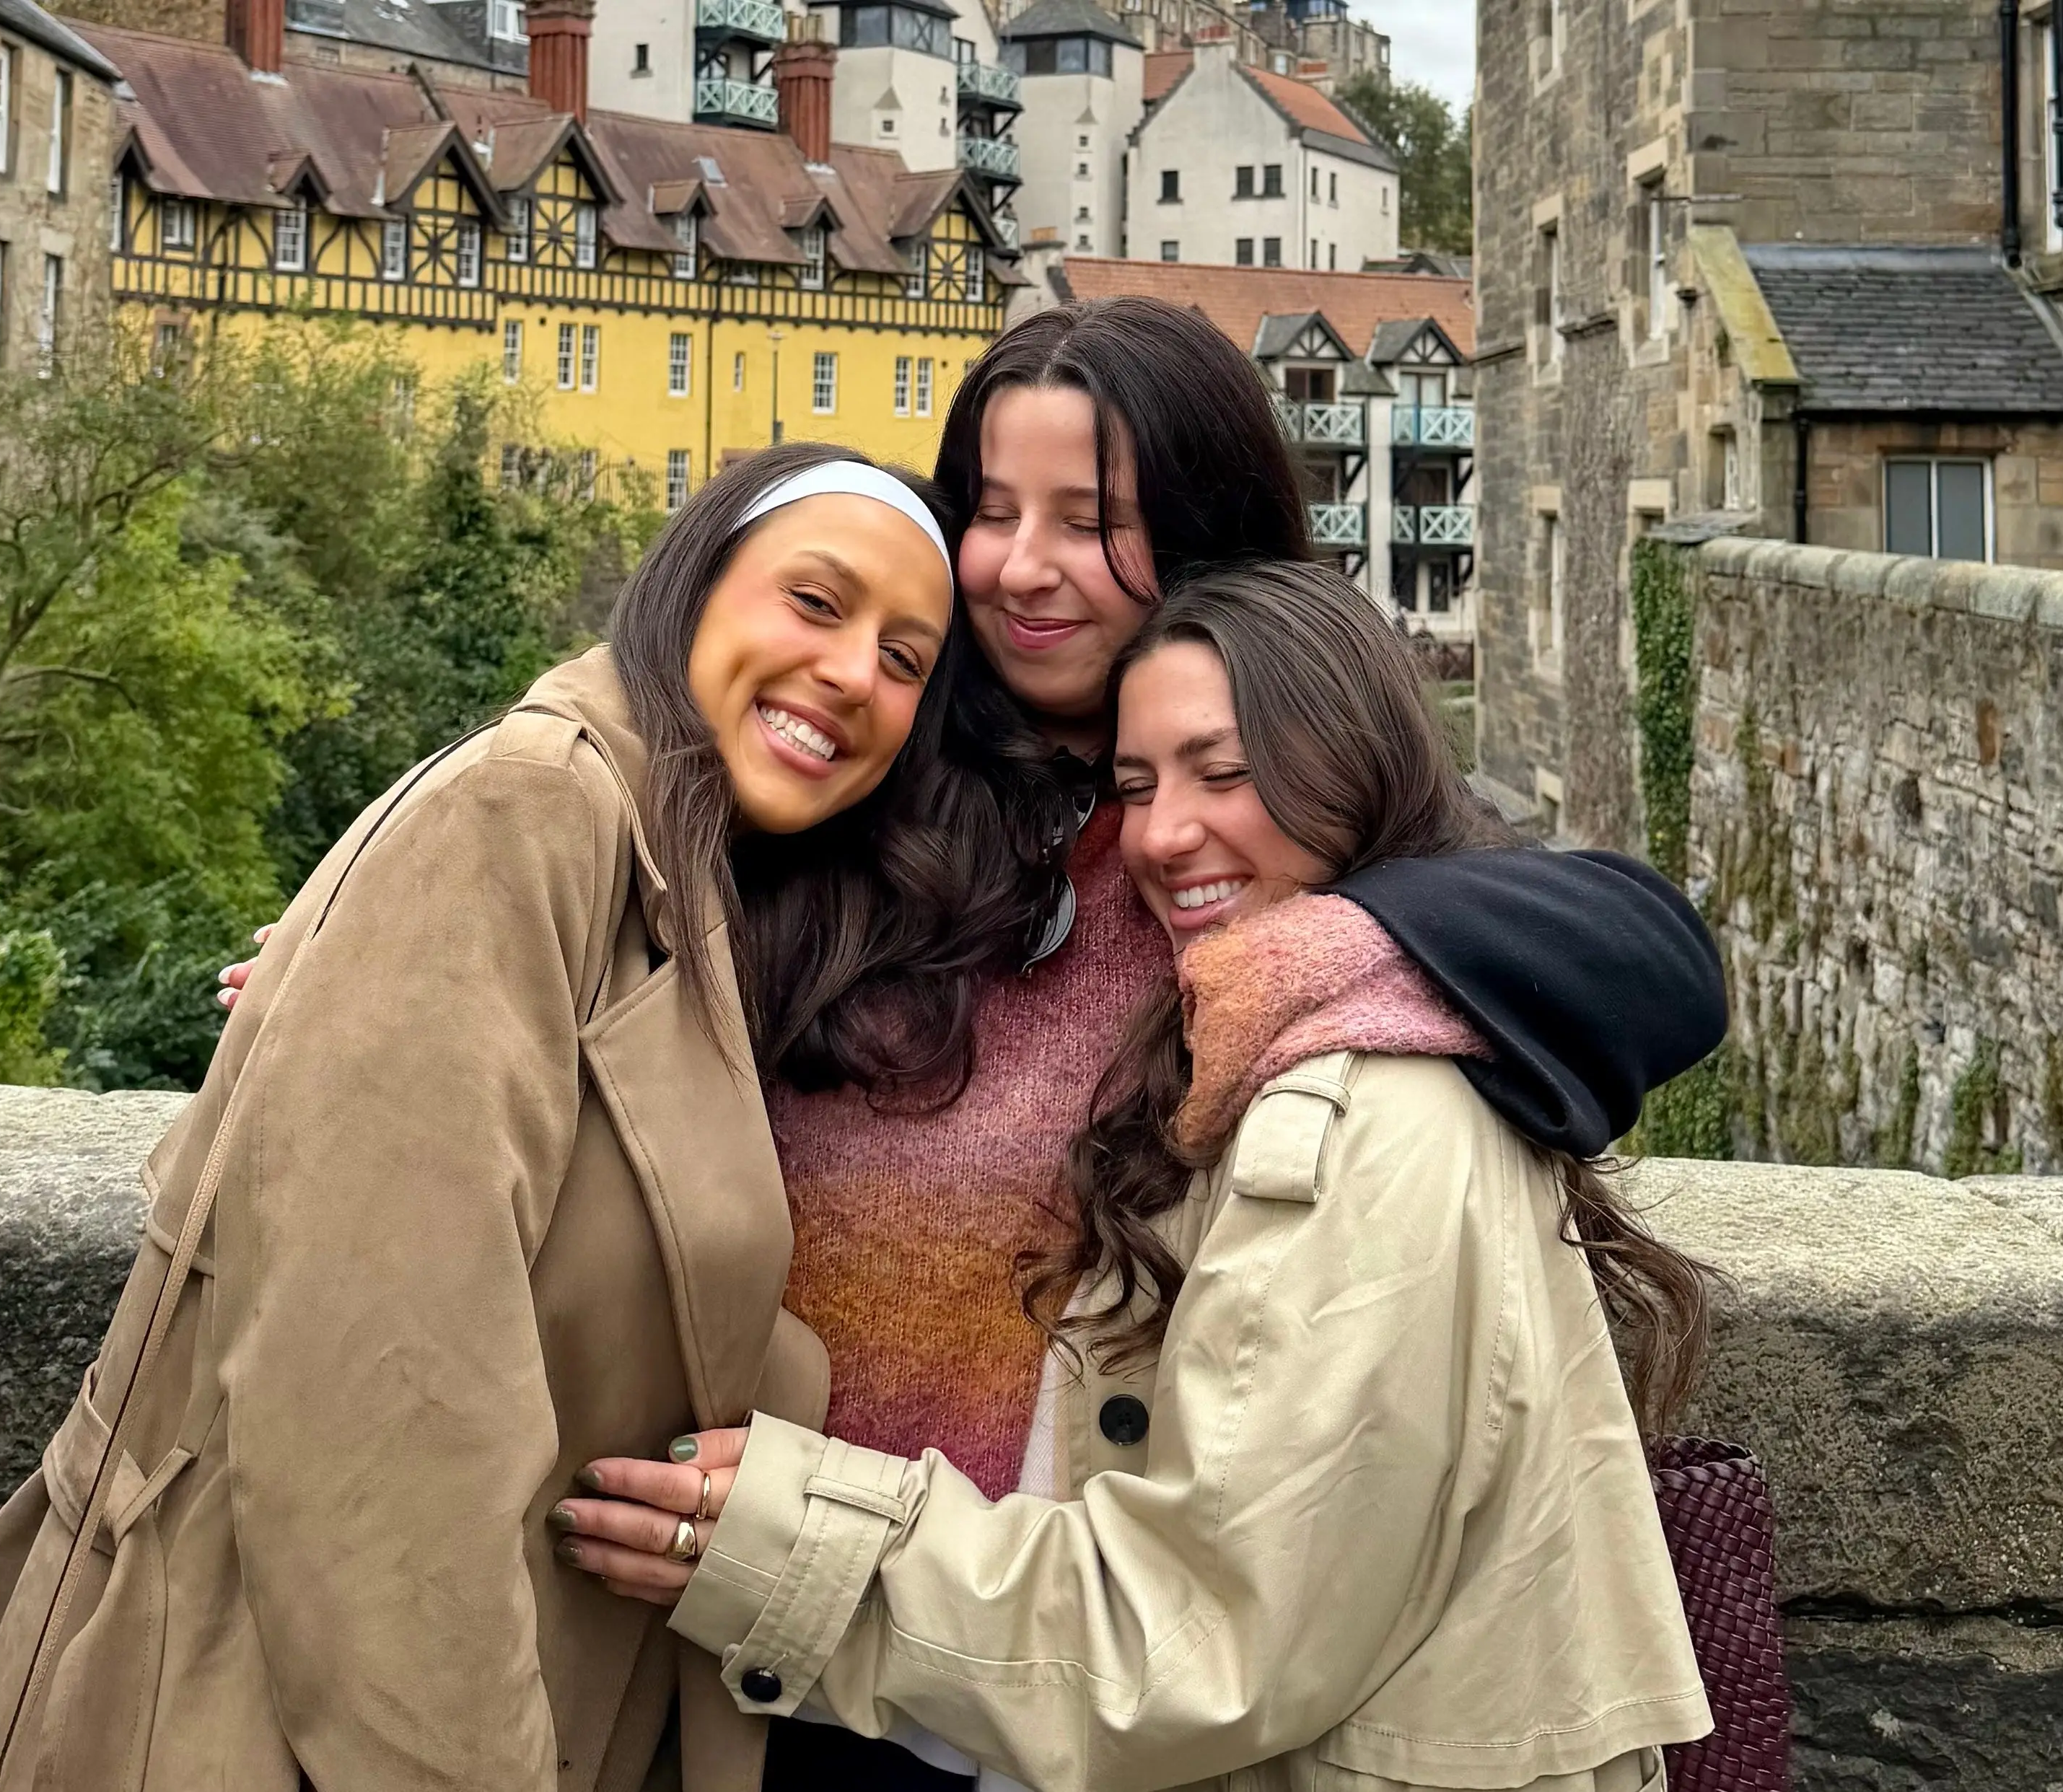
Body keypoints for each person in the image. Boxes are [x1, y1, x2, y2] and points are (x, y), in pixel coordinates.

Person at [216, 299, 1727, 1788]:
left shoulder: (1276, 856)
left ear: (1204, 529)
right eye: (990, 509)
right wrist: (392, 977)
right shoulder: (858, 790)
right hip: (742, 1640)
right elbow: (594, 920)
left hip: (1047, 1674)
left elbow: (1648, 959)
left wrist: (1317, 960)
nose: (1021, 566)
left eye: (1091, 518)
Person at [0, 443, 1025, 1792]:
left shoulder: (669, 878)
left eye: (907, 660)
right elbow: (380, 1407)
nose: (855, 674)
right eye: (816, 604)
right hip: (260, 1721)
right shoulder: (526, 813)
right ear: (694, 588)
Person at [558, 561, 1717, 1792]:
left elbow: (1204, 1642)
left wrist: (792, 1547)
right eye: (1137, 785)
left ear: (1359, 767)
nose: (1162, 837)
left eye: (1225, 774)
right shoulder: (1318, 1041)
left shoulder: (1368, 1113)